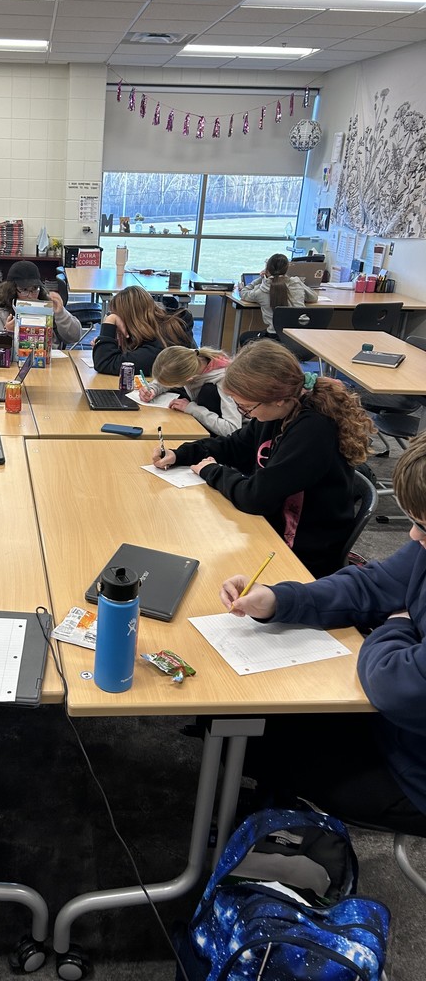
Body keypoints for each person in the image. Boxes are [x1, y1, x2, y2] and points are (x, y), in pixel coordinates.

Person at [219, 431, 426, 836]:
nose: (413, 536)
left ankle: (271, 833)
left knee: (259, 740)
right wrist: (278, 600)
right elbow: (371, 585)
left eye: (422, 525)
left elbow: (396, 685)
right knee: (247, 721)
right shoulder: (423, 550)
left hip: (413, 774)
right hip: (393, 729)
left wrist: (396, 625)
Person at [152, 339, 375, 578]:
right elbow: (233, 445)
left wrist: (212, 471)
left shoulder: (313, 430)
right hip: (273, 527)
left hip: (301, 552)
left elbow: (256, 497)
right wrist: (182, 454)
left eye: (246, 408)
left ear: (277, 398)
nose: (244, 413)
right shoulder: (277, 413)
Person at [138, 346, 241, 437]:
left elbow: (232, 429)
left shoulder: (224, 381)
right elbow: (167, 374)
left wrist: (192, 408)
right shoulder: (189, 357)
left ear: (189, 380)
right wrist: (152, 389)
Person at [92, 285, 195, 376]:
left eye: (117, 316)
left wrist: (110, 321)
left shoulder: (163, 342)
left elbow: (106, 363)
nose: (117, 322)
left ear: (131, 319)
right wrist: (108, 343)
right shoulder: (154, 329)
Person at [0, 259, 82, 346]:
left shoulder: (47, 305)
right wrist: (7, 333)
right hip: (11, 366)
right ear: (12, 290)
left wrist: (61, 314)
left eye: (34, 289)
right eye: (24, 290)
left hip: (46, 362)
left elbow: (75, 337)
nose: (30, 295)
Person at [238, 252, 318, 348]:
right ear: (286, 268)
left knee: (245, 337)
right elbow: (313, 297)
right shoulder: (296, 283)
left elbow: (244, 293)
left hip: (274, 338)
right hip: (299, 338)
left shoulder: (262, 290)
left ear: (267, 270)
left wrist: (261, 278)